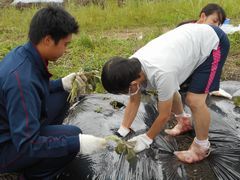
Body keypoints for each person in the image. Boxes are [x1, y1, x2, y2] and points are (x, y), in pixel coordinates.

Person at [0, 6, 106, 179]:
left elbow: (37, 87)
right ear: (48, 40)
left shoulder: (24, 55)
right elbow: (27, 144)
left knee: (63, 93)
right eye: (65, 44)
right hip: (8, 146)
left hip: (14, 125)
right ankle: (34, 175)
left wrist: (61, 83)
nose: (66, 50)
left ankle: (45, 137)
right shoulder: (22, 82)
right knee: (72, 134)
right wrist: (75, 143)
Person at [101, 23, 230, 163]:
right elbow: (134, 101)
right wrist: (122, 130)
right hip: (189, 41)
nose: (128, 94)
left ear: (132, 84)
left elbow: (164, 115)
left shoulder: (162, 73)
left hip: (213, 43)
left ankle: (202, 147)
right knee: (168, 91)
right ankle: (184, 121)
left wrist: (146, 138)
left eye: (124, 91)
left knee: (194, 100)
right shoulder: (129, 69)